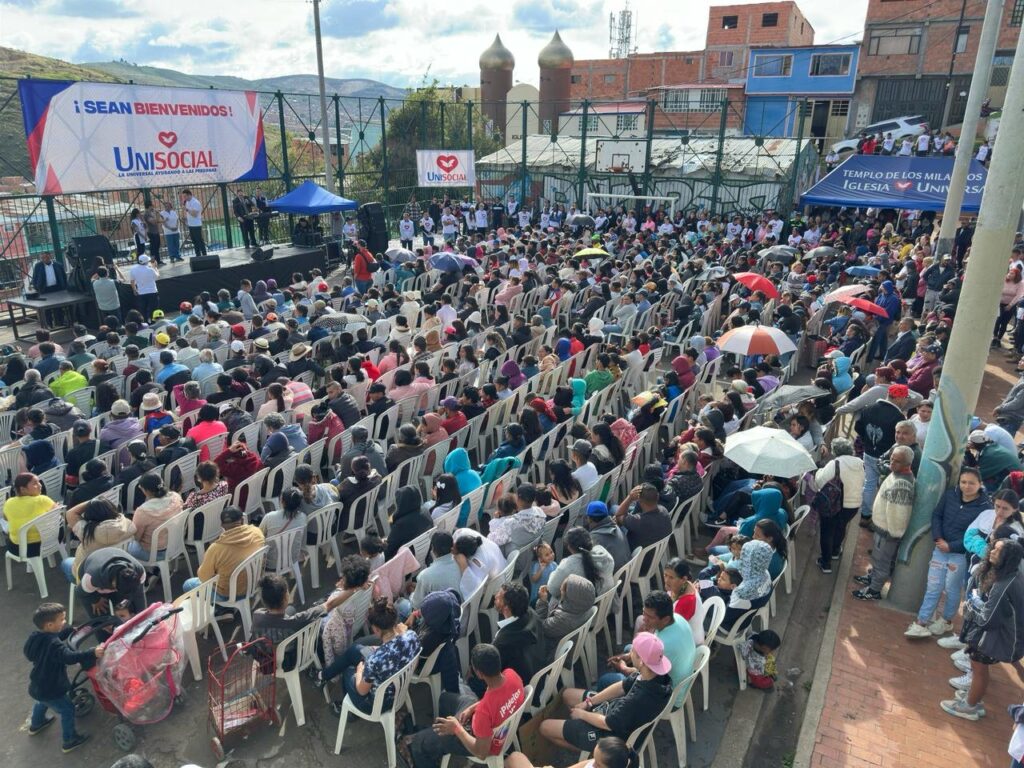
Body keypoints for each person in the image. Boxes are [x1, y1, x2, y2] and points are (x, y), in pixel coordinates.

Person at [539, 632, 672, 752]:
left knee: (544, 728)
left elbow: (608, 723)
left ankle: (595, 755)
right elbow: (621, 686)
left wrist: (582, 714)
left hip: (612, 736)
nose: (630, 651)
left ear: (642, 662)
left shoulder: (637, 699)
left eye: (633, 650)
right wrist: (589, 702)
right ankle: (579, 734)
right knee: (567, 695)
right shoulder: (656, 676)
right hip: (616, 715)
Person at [402, 643, 525, 768]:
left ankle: (437, 740)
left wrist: (457, 729)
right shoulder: (511, 675)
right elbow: (495, 700)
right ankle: (440, 739)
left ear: (479, 674)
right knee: (445, 699)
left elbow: (481, 753)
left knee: (418, 744)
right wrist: (472, 708)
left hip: (480, 741)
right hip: (494, 725)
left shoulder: (484, 712)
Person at [941, 538, 1024, 720]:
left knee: (979, 669)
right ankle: (974, 698)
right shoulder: (1007, 574)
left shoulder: (1003, 585)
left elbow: (987, 620)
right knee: (978, 667)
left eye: (999, 551)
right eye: (994, 548)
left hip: (993, 638)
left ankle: (970, 707)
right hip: (993, 635)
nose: (992, 551)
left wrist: (971, 607)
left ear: (1008, 557)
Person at [905, 467, 990, 639]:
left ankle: (946, 620)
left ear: (980, 485)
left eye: (971, 483)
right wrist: (938, 538)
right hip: (940, 549)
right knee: (933, 586)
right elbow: (937, 515)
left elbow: (978, 537)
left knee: (951, 589)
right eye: (963, 482)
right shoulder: (951, 494)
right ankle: (921, 622)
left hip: (960, 556)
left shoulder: (985, 508)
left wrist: (951, 546)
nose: (966, 486)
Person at [24, 602, 103, 753]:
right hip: (52, 687)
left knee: (41, 701)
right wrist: (92, 652)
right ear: (49, 625)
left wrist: (65, 632)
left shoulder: (36, 637)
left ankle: (37, 724)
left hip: (37, 683)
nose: (64, 621)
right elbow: (69, 657)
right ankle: (69, 740)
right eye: (62, 620)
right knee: (67, 709)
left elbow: (36, 650)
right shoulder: (54, 645)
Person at [319, 597, 421, 713]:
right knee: (354, 650)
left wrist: (359, 671)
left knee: (348, 670)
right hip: (399, 687)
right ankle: (323, 676)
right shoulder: (412, 636)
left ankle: (350, 711)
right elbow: (408, 659)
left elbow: (362, 691)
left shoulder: (375, 660)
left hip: (376, 704)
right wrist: (377, 650)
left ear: (376, 629)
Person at [852, 445, 916, 600]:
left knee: (882, 562)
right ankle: (872, 577)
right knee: (877, 558)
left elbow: (900, 514)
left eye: (897, 461)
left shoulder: (902, 484)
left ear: (907, 465)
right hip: (881, 528)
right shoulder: (896, 473)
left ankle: (874, 590)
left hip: (888, 532)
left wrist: (893, 534)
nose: (892, 463)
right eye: (892, 458)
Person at [181, 505, 265, 599]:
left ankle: (223, 609)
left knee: (188, 584)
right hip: (255, 584)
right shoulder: (257, 532)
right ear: (242, 520)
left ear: (222, 525)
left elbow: (203, 577)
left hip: (228, 594)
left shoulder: (216, 548)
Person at [812, 437, 866, 572]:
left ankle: (825, 563)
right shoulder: (860, 463)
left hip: (834, 503)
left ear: (835, 450)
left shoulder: (835, 463)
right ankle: (836, 551)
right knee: (841, 527)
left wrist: (819, 471)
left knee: (827, 531)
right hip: (853, 505)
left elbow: (819, 481)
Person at [2, 472, 59, 558]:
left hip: (18, 548)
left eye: (39, 482)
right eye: (35, 483)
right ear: (23, 489)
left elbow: (6, 519)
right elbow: (58, 513)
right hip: (45, 543)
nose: (40, 485)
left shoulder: (8, 502)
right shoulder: (42, 500)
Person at [411, 531, 462, 608]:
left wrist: (411, 595)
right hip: (461, 610)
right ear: (452, 546)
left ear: (433, 549)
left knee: (400, 604)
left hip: (441, 617)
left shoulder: (425, 576)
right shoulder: (462, 563)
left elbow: (416, 605)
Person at [614, 483, 671, 551]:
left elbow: (618, 515)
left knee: (614, 513)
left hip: (636, 556)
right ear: (657, 497)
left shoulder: (637, 521)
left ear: (639, 501)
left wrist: (630, 497)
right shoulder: (664, 510)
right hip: (656, 552)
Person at [128, 254, 159, 322]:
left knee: (143, 310)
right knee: (153, 309)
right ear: (147, 261)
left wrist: (134, 290)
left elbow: (132, 281)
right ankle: (153, 322)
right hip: (152, 292)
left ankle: (144, 323)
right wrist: (155, 267)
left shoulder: (133, 269)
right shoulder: (150, 269)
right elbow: (157, 276)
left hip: (141, 293)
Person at [181, 189, 206, 257]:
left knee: (199, 241)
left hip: (196, 225)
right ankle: (198, 255)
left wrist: (186, 209)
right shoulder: (187, 202)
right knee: (194, 241)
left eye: (185, 196)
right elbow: (189, 213)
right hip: (191, 225)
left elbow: (194, 214)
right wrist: (186, 219)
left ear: (189, 195)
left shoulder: (196, 202)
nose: (184, 198)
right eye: (183, 196)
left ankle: (204, 255)